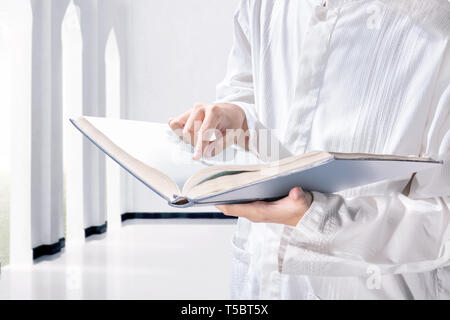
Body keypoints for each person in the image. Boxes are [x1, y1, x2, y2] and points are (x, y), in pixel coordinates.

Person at [168, 0, 450, 299]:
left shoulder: (437, 27)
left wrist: (326, 221)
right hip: (257, 283)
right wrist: (238, 117)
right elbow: (254, 90)